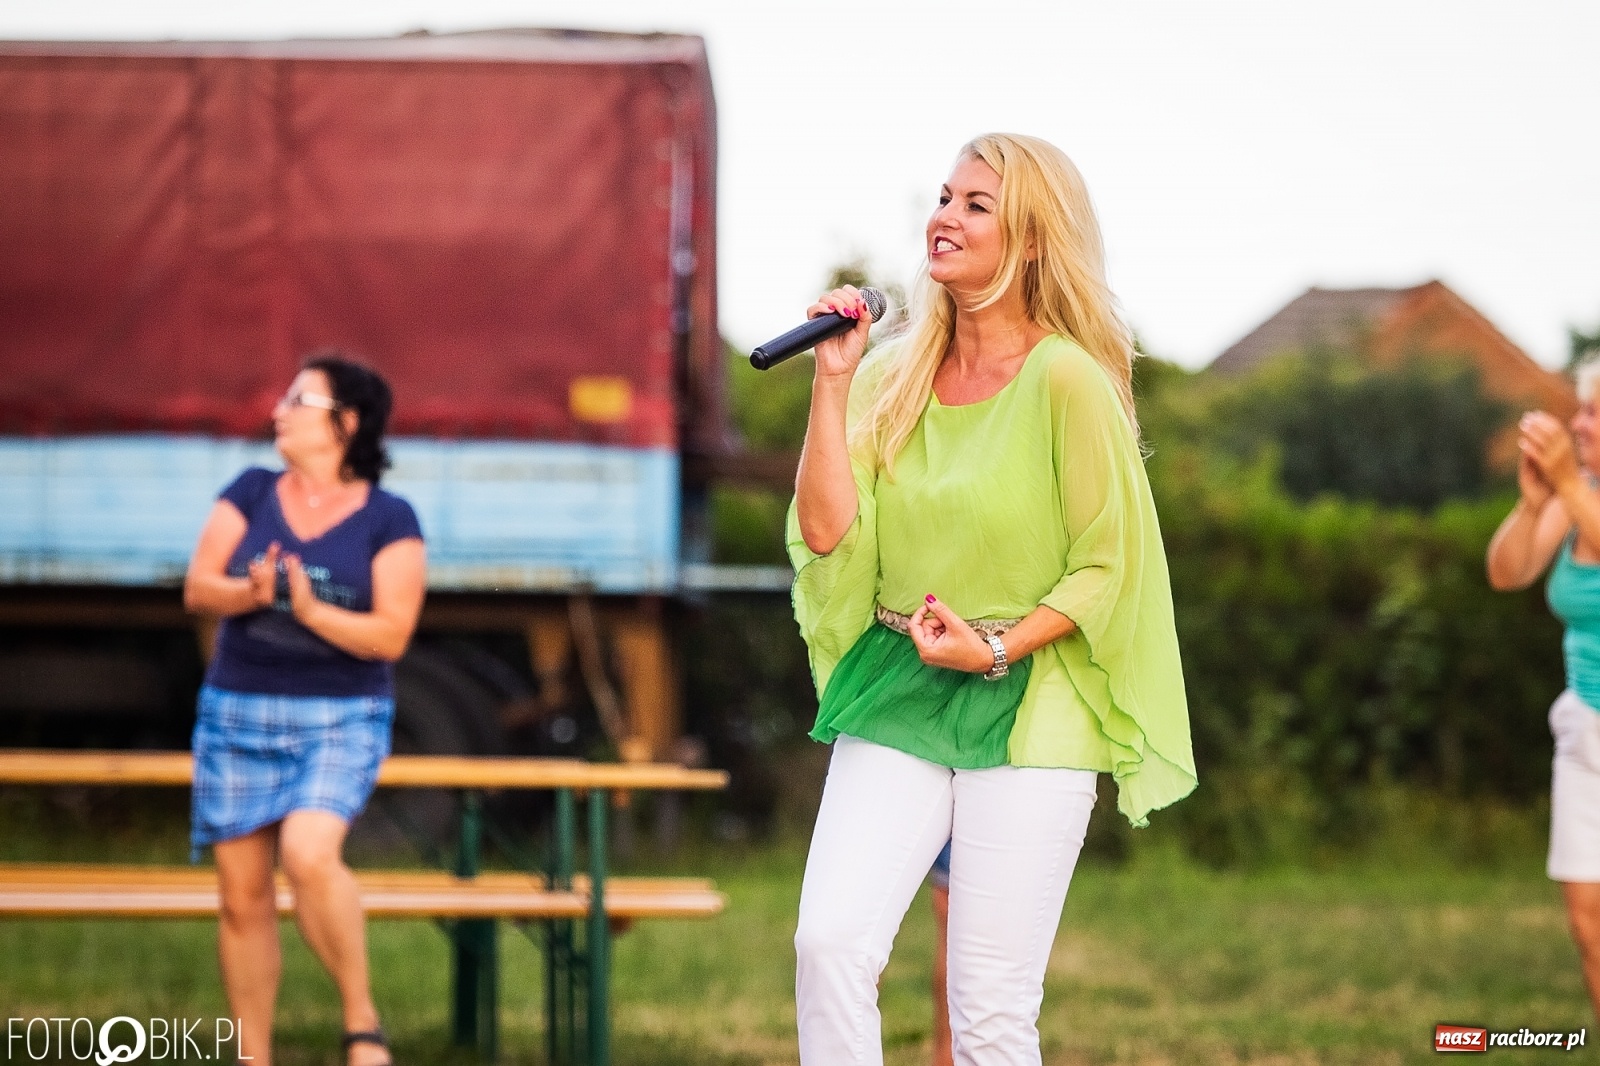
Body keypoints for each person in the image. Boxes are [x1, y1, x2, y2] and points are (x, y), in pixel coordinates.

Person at [788, 133, 1195, 1066]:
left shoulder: (1068, 380)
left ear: (1034, 239)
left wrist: (998, 649)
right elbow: (825, 534)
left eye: (977, 204)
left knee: (990, 1007)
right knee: (830, 943)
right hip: (900, 686)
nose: (945, 218)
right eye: (943, 197)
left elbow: (1107, 565)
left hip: (1033, 695)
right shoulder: (891, 376)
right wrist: (833, 380)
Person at [183, 354, 426, 1066]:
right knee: (242, 898)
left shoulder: (390, 516)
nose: (278, 409)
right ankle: (252, 1055)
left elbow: (391, 634)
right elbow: (200, 588)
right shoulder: (251, 491)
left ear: (345, 424)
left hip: (341, 717)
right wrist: (245, 595)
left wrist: (313, 612)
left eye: (299, 399)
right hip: (237, 713)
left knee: (309, 855)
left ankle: (361, 1025)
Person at [1486, 365, 1600, 1019]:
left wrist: (1561, 483)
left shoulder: (1576, 490)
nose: (1577, 423)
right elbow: (1508, 571)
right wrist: (1535, 505)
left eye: (1591, 413)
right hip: (1586, 728)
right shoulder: (1574, 491)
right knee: (1589, 927)